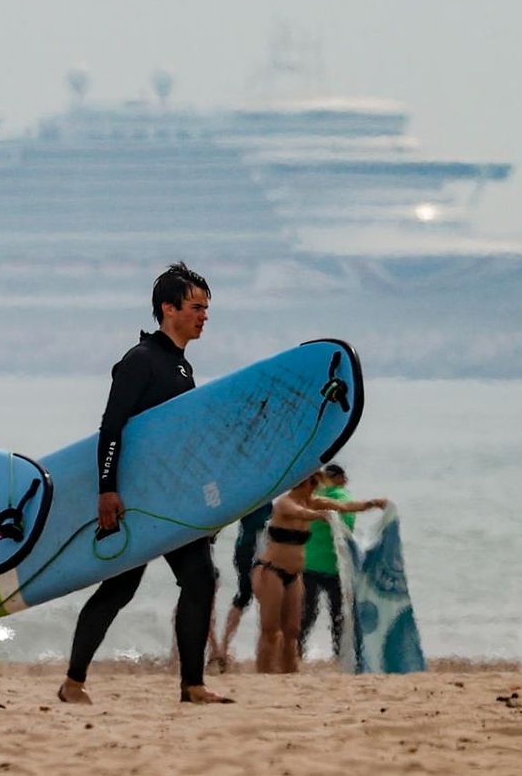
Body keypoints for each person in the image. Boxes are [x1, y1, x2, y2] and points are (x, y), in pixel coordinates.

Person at [58, 261, 231, 705]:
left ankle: (192, 686)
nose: (204, 315)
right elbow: (111, 428)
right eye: (196, 306)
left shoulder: (179, 367)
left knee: (200, 579)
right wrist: (108, 491)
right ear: (168, 308)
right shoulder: (141, 362)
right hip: (137, 500)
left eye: (207, 308)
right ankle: (73, 682)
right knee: (120, 587)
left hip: (173, 501)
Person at [253, 471, 385, 673]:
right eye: (312, 483)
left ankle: (289, 673)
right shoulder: (284, 503)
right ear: (303, 483)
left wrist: (373, 504)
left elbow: (345, 506)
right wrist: (319, 515)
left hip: (294, 575)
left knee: (293, 630)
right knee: (271, 629)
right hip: (272, 570)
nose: (315, 488)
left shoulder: (312, 501)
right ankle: (263, 673)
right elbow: (299, 513)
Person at [298, 463, 355, 660]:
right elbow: (347, 528)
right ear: (341, 478)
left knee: (308, 613)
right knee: (337, 613)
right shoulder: (342, 498)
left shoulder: (313, 497)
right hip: (333, 566)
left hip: (312, 565)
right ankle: (339, 653)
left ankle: (297, 651)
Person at [211, 502, 271, 671]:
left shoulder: (268, 496)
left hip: (264, 549)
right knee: (245, 595)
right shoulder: (252, 496)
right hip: (248, 549)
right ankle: (223, 646)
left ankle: (263, 649)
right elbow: (228, 511)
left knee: (265, 597)